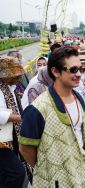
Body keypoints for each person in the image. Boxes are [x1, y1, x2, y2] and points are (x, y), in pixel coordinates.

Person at [19, 47, 85, 187]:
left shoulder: (79, 99)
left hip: (79, 174)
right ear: (55, 71)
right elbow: (25, 149)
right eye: (73, 70)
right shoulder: (38, 108)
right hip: (53, 181)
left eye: (80, 69)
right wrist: (47, 167)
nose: (79, 74)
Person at [0, 56, 26, 188]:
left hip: (10, 137)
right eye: (13, 75)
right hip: (2, 142)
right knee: (17, 173)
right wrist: (18, 117)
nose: (17, 77)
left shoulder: (10, 87)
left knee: (5, 175)